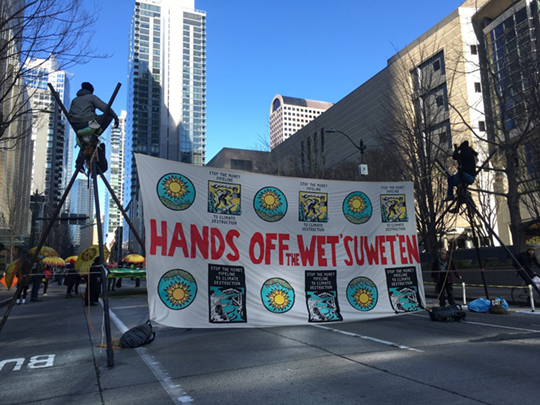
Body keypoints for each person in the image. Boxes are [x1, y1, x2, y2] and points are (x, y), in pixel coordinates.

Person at [68, 82, 119, 173]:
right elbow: (104, 107)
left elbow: (70, 114)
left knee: (87, 144)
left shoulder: (74, 100)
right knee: (108, 116)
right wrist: (115, 117)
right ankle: (97, 132)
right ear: (90, 91)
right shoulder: (91, 97)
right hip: (88, 123)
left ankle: (80, 160)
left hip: (77, 126)